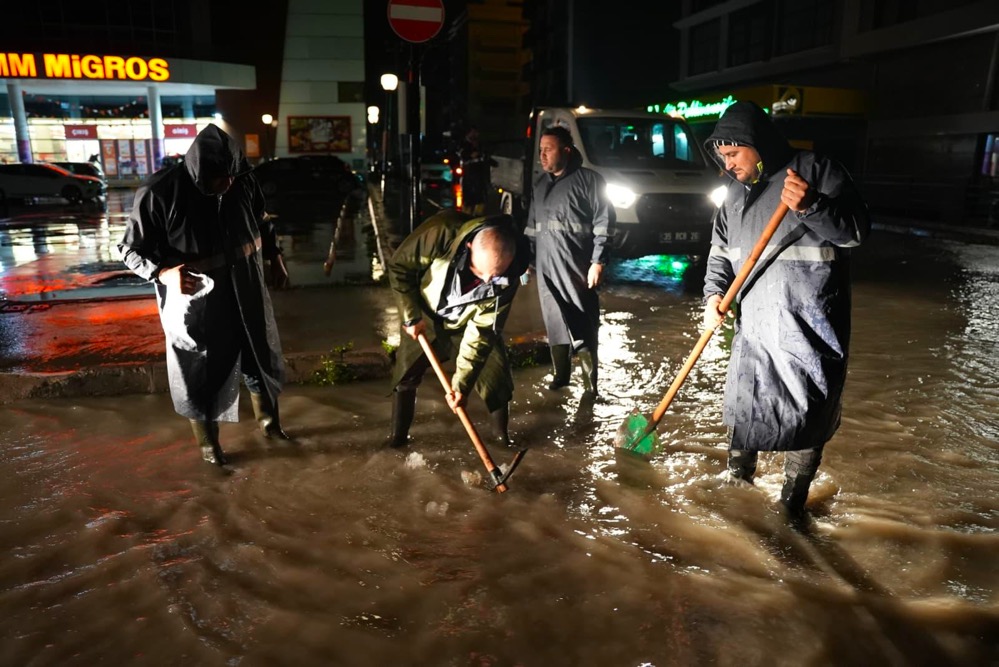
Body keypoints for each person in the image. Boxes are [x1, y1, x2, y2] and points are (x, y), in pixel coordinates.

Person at [702, 101, 870, 521]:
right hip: (753, 328)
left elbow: (854, 233)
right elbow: (720, 253)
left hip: (809, 329)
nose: (727, 165)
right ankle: (737, 497)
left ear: (757, 145)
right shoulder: (733, 195)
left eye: (733, 154)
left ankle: (791, 509)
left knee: (806, 415)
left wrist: (812, 205)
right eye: (721, 157)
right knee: (745, 409)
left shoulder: (815, 172)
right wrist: (712, 297)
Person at [118, 125, 291, 466]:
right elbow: (129, 249)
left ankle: (271, 428)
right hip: (197, 300)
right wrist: (163, 273)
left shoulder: (242, 180)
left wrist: (276, 258)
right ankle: (210, 449)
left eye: (232, 174)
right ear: (200, 169)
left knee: (259, 355)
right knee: (200, 369)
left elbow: (262, 220)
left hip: (248, 286)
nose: (227, 183)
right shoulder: (160, 192)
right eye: (219, 177)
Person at [386, 209, 529, 449]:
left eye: (494, 277)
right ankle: (397, 441)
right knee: (407, 375)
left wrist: (460, 386)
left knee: (496, 375)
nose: (485, 282)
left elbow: (482, 333)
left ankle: (503, 441)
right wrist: (410, 316)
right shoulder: (441, 232)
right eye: (479, 273)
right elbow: (400, 267)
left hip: (471, 320)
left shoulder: (510, 275)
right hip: (425, 315)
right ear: (470, 246)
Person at [525, 125, 615, 398]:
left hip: (576, 266)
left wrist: (598, 261)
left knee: (581, 319)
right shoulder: (540, 185)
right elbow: (531, 226)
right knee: (553, 319)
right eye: (540, 150)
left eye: (548, 150)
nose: (542, 156)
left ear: (566, 150)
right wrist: (528, 261)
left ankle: (591, 386)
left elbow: (605, 223)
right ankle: (561, 377)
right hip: (545, 266)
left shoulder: (591, 181)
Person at [459, 126, 496, 216]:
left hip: (480, 179)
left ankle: (477, 218)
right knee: (469, 202)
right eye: (474, 132)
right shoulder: (464, 146)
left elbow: (486, 158)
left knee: (480, 201)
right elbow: (465, 157)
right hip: (470, 178)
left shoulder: (480, 145)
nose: (476, 135)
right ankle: (466, 218)